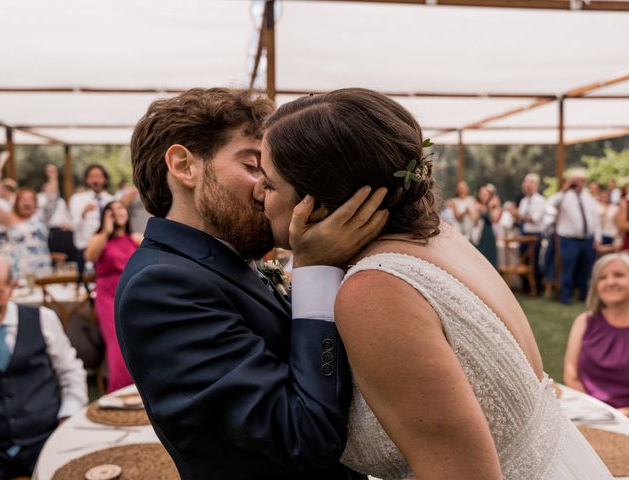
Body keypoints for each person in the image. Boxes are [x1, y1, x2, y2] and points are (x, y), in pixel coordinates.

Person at [260, 87, 613, 480]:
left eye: (270, 183)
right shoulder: (436, 235)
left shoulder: (376, 289)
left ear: (321, 204)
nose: (259, 191)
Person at [115, 88, 387, 480]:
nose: (268, 185)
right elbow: (304, 435)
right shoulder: (160, 286)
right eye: (253, 165)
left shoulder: (224, 259)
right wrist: (313, 267)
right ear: (183, 166)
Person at [0, 254, 87, 479]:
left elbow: (70, 371)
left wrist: (68, 416)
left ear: (12, 287)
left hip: (44, 437)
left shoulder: (43, 319)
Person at [85, 200, 141, 392]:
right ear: (106, 215)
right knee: (118, 345)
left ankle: (140, 391)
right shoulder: (99, 238)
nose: (118, 212)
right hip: (108, 297)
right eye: (112, 209)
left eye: (121, 208)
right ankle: (117, 392)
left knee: (136, 342)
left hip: (133, 296)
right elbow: (91, 256)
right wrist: (106, 231)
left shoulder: (135, 238)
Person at [564, 253, 629, 415]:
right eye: (602, 277)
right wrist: (594, 411)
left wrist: (620, 415)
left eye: (619, 275)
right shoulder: (584, 321)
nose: (610, 282)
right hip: (586, 409)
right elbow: (570, 373)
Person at [0, 164, 53, 280]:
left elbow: (52, 199)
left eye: (30, 199)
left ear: (35, 203)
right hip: (19, 269)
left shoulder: (41, 217)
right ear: (17, 203)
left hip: (42, 268)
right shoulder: (9, 218)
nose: (26, 202)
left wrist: (53, 178)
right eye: (23, 199)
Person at [547, 169, 601, 304]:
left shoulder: (588, 197)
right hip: (569, 239)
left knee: (586, 268)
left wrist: (597, 237)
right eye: (575, 180)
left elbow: (595, 219)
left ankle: (584, 295)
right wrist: (565, 189)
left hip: (587, 240)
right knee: (568, 268)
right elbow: (550, 204)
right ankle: (565, 296)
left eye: (581, 181)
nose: (578, 183)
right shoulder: (564, 196)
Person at [69, 164, 114, 275]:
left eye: (98, 176)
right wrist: (83, 213)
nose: (95, 180)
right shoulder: (77, 199)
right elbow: (73, 226)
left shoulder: (112, 200)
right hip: (84, 249)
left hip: (107, 249)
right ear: (87, 180)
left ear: (105, 179)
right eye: (91, 177)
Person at [515, 173, 547, 293]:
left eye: (530, 183)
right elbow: (520, 217)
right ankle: (525, 287)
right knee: (523, 261)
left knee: (533, 263)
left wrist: (519, 215)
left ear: (536, 185)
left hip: (534, 236)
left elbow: (534, 218)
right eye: (526, 182)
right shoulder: (523, 201)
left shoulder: (540, 201)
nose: (527, 185)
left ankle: (536, 288)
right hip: (523, 234)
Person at [471, 183, 501, 268]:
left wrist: (490, 208)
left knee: (490, 258)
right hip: (479, 234)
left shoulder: (494, 205)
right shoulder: (475, 204)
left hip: (489, 234)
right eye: (481, 193)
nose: (483, 196)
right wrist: (480, 209)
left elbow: (493, 219)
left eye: (486, 194)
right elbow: (474, 220)